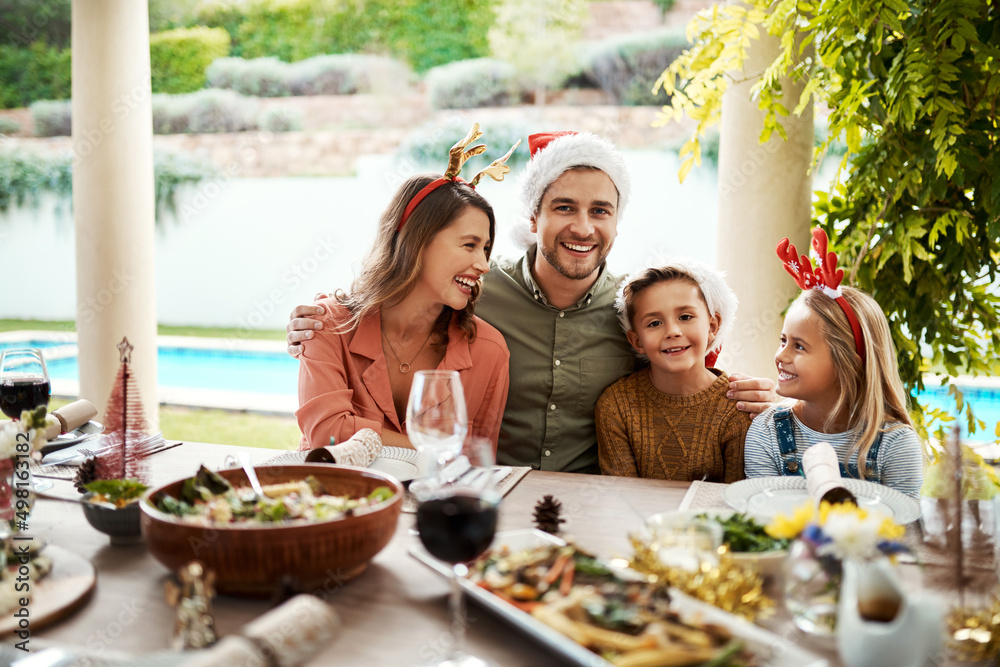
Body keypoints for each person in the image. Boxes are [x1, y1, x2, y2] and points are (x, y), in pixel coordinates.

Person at [289, 131, 776, 472]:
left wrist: (746, 395)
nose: (583, 228)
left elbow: (685, 357)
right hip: (492, 492)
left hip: (591, 496)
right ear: (533, 217)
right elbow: (398, 290)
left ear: (616, 223)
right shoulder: (475, 294)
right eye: (564, 207)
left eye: (600, 211)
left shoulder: (635, 311)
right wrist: (317, 321)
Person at [295, 126, 512, 451]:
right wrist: (436, 450)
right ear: (417, 240)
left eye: (486, 249)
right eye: (469, 245)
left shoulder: (490, 352)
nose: (483, 264)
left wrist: (358, 433)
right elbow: (326, 435)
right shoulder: (326, 326)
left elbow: (477, 461)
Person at [744, 229, 923, 497]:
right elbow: (760, 521)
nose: (781, 356)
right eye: (783, 341)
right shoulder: (766, 431)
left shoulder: (896, 446)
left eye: (799, 346)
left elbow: (904, 531)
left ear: (846, 364)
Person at [596, 259, 751, 482]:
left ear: (712, 326)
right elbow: (621, 495)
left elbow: (734, 502)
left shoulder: (737, 408)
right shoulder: (616, 406)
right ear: (637, 340)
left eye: (685, 317)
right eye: (654, 323)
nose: (673, 331)